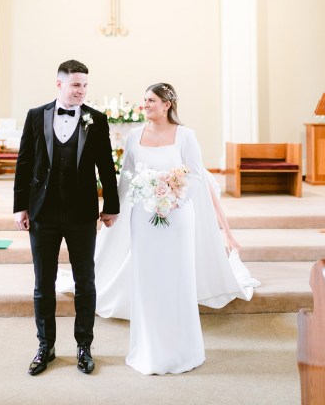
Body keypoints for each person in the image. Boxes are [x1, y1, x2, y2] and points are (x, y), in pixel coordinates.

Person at [86, 82, 259, 375]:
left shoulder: (186, 136)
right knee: (147, 278)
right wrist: (113, 211)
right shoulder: (133, 136)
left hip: (177, 216)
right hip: (142, 217)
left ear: (167, 104)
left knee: (175, 277)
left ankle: (182, 348)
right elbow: (126, 176)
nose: (146, 105)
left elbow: (195, 177)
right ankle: (148, 348)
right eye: (144, 100)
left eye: (151, 100)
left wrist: (172, 192)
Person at [14, 59, 120, 376]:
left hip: (82, 214)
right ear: (59, 84)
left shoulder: (96, 119)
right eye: (76, 85)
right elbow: (24, 162)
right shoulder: (36, 116)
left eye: (85, 85)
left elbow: (107, 166)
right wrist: (20, 206)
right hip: (42, 212)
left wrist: (111, 206)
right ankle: (45, 347)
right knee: (42, 283)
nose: (81, 91)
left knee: (85, 282)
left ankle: (84, 347)